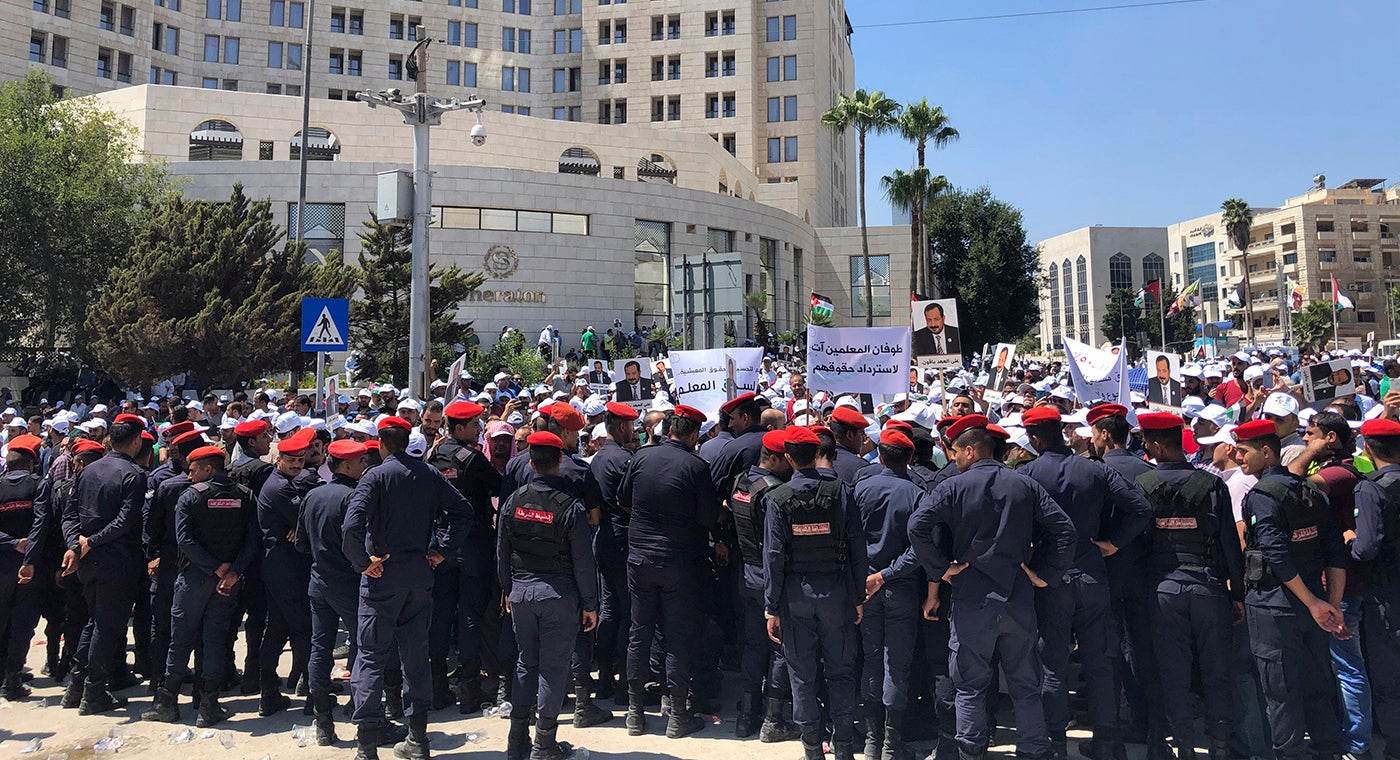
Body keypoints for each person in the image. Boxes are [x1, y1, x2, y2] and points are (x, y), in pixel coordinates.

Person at [908, 414, 1077, 760]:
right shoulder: (1023, 484)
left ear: (970, 451)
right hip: (1017, 595)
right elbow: (1065, 530)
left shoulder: (953, 486)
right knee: (1026, 685)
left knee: (969, 686)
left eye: (954, 451)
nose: (952, 458)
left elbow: (917, 527)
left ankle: (971, 752)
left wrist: (942, 569)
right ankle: (1032, 749)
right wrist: (1045, 573)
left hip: (972, 597)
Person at [1016, 405, 1152, 760]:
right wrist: (1115, 542)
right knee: (1100, 663)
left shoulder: (1028, 473)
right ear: (1061, 430)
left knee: (1053, 663)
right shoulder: (1093, 470)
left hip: (1050, 579)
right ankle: (1108, 741)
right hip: (1092, 575)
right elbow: (1140, 508)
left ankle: (1056, 743)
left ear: (1032, 437)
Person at [343, 415, 472, 760]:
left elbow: (351, 527)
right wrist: (441, 550)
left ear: (382, 445)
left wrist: (363, 563)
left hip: (382, 577)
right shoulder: (427, 473)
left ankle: (367, 745)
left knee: (370, 657)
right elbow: (463, 511)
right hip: (418, 575)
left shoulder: (375, 476)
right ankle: (418, 739)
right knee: (416, 657)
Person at [1233, 419, 1348, 760]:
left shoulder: (1262, 496)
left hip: (1276, 608)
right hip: (1312, 603)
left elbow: (1277, 556)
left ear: (1266, 452)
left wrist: (1318, 605)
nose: (1238, 458)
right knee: (1317, 686)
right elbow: (1334, 550)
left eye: (1244, 452)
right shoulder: (1310, 491)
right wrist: (1332, 605)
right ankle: (1327, 750)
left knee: (1280, 692)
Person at [1131, 413, 1244, 760]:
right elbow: (1229, 546)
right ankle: (1221, 747)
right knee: (1217, 669)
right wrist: (1237, 594)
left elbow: (1136, 544)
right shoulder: (1211, 485)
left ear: (1155, 445)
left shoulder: (1142, 485)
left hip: (1162, 589)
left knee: (1173, 670)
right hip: (1207, 586)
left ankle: (1183, 746)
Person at [762, 425, 866, 760]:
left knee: (802, 676)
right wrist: (857, 597)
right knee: (841, 672)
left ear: (788, 458)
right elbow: (857, 547)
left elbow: (773, 556)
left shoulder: (777, 499)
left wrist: (771, 606)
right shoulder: (841, 490)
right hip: (836, 594)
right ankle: (844, 748)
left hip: (796, 598)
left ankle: (812, 750)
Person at [616, 404, 720, 738]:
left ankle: (634, 713)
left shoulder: (642, 457)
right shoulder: (695, 466)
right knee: (677, 636)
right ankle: (677, 715)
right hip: (677, 561)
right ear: (692, 434)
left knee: (639, 631)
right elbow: (707, 518)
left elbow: (623, 499)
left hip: (640, 559)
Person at [497, 431, 599, 760]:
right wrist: (591, 604)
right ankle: (544, 745)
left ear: (530, 462)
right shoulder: (571, 506)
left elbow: (501, 551)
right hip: (558, 595)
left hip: (522, 592)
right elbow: (584, 562)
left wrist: (507, 589)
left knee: (526, 664)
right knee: (553, 669)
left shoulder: (513, 500)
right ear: (560, 462)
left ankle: (516, 742)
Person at [141, 445, 259, 727]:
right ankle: (209, 705)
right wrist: (232, 572)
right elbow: (253, 540)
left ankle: (167, 701)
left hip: (195, 577)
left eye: (193, 470)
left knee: (180, 640)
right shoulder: (245, 496)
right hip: (227, 582)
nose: (189, 475)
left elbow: (185, 541)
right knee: (215, 640)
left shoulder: (190, 497)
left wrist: (213, 568)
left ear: (209, 469)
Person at [61, 413, 150, 715]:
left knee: (94, 621)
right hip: (116, 559)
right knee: (107, 626)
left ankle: (76, 685)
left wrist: (78, 543)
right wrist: (88, 542)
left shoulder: (88, 471)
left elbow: (69, 515)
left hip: (89, 557)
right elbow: (126, 522)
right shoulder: (134, 474)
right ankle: (94, 690)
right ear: (137, 441)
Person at [425, 399, 503, 712]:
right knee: (470, 616)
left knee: (442, 617)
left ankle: (438, 686)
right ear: (460, 427)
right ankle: (470, 690)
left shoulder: (434, 454)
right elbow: (499, 486)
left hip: (442, 545)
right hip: (473, 545)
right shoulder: (470, 458)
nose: (479, 429)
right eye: (474, 425)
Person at [853, 429, 924, 760]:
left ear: (880, 456)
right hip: (899, 588)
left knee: (871, 660)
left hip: (867, 588)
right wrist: (887, 575)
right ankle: (890, 745)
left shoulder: (860, 489)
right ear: (909, 459)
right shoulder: (916, 494)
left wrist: (870, 576)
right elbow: (919, 550)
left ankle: (872, 740)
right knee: (896, 665)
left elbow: (850, 541)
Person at [728, 429, 801, 742]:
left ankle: (746, 715)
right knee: (780, 648)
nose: (790, 464)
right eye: (784, 458)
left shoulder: (740, 481)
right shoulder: (774, 491)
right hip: (770, 577)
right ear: (772, 458)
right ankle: (773, 720)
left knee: (753, 645)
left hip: (747, 573)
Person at [298, 439, 371, 745]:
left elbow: (301, 544)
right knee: (361, 645)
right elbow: (361, 542)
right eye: (360, 462)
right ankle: (360, 708)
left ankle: (323, 722)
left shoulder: (313, 495)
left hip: (319, 581)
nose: (365, 466)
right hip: (349, 583)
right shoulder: (353, 498)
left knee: (320, 648)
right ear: (346, 466)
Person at [256, 426, 316, 716]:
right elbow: (306, 520)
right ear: (278, 460)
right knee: (303, 628)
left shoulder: (283, 482)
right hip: (286, 568)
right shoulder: (280, 487)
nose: (296, 465)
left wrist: (299, 525)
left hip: (280, 566)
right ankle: (311, 694)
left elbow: (301, 520)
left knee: (278, 629)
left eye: (301, 461)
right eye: (291, 460)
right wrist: (299, 525)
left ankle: (269, 693)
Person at [1349, 417, 1400, 760]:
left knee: (1389, 678)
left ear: (1368, 448)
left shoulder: (1371, 487)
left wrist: (1350, 539)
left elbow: (1365, 548)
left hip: (1387, 595)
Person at [587, 402, 640, 707]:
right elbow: (630, 503)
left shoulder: (597, 459)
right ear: (622, 427)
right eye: (631, 426)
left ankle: (605, 676)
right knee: (628, 611)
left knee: (610, 609)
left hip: (604, 539)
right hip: (622, 540)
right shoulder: (624, 460)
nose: (633, 431)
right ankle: (623, 682)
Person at [0, 435, 45, 700]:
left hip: (3, 560)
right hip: (29, 565)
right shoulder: (38, 485)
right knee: (23, 622)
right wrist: (27, 552)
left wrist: (10, 543)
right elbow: (41, 523)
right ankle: (12, 678)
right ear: (30, 465)